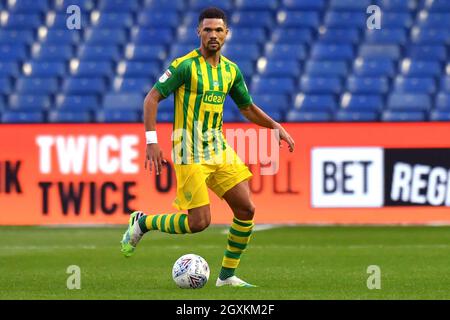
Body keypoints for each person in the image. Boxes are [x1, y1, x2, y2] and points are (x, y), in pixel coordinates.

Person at [121, 7, 295, 288]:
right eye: (207, 30)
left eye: (218, 30)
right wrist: (151, 142)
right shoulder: (184, 66)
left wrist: (275, 126)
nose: (213, 35)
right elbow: (151, 99)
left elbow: (247, 107)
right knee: (199, 222)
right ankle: (142, 223)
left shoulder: (230, 70)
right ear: (198, 32)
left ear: (226, 33)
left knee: (246, 209)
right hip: (187, 149)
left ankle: (226, 277)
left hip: (218, 147)